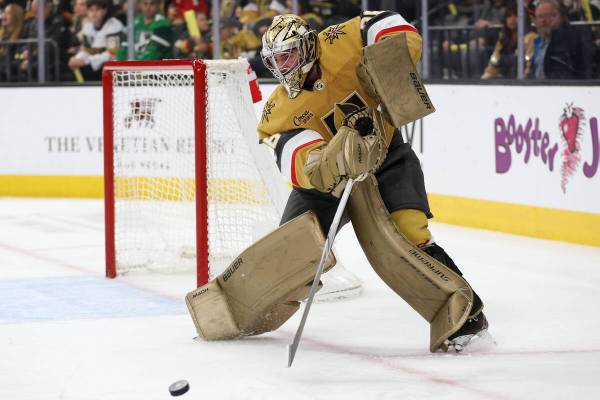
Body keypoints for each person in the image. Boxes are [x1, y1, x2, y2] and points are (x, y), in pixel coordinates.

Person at [255, 12, 489, 351]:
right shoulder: (277, 108)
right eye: (274, 60)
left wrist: (392, 57)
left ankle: (467, 316)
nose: (281, 66)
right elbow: (289, 153)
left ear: (307, 46)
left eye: (287, 55)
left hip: (385, 154)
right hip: (326, 183)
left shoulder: (339, 40)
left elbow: (388, 25)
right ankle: (245, 310)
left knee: (410, 232)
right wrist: (324, 161)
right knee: (292, 251)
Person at [530, 0, 593, 79]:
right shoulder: (539, 41)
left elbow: (562, 73)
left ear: (562, 17)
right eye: (540, 16)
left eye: (550, 15)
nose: (544, 21)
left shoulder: (570, 39)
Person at [67, 0, 122, 81]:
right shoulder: (88, 26)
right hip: (96, 65)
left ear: (104, 11)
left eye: (97, 9)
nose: (94, 13)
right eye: (91, 10)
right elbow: (86, 50)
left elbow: (112, 54)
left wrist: (85, 61)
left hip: (116, 68)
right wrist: (76, 59)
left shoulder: (114, 25)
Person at [481, 3, 537, 79]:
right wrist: (485, 78)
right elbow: (493, 63)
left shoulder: (530, 37)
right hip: (504, 80)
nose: (512, 19)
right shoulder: (503, 38)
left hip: (523, 81)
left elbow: (529, 66)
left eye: (516, 16)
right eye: (509, 16)